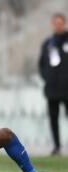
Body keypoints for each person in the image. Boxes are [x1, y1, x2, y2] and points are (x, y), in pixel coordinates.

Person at [39, 13, 68, 155]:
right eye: (56, 23)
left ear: (65, 23)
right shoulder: (48, 43)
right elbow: (41, 64)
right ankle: (57, 146)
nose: (58, 25)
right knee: (53, 118)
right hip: (52, 88)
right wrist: (47, 77)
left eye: (60, 23)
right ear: (53, 24)